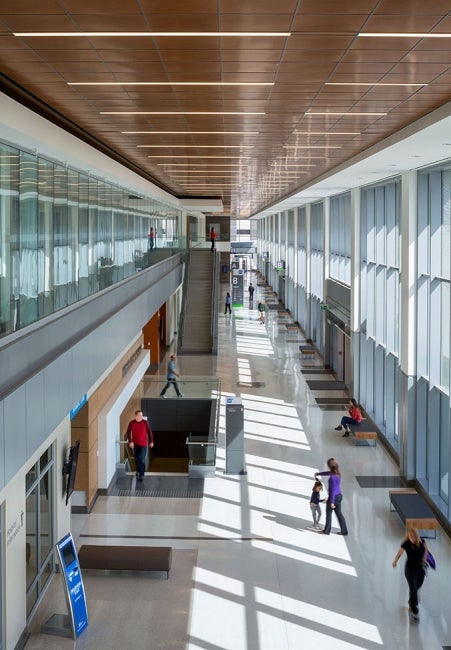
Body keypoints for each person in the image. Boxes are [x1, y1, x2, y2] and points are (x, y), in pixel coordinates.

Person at [392, 527, 428, 620]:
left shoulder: (422, 542)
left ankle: (410, 602)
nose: (412, 538)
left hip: (420, 568)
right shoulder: (406, 543)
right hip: (410, 569)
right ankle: (415, 610)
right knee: (413, 587)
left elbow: (426, 551)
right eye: (410, 536)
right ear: (408, 536)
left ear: (417, 536)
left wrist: (424, 558)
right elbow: (399, 553)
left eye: (414, 536)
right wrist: (395, 561)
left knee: (417, 586)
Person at [315, 458, 348, 535]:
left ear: (329, 466)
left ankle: (326, 531)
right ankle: (344, 531)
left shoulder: (332, 478)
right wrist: (319, 474)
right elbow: (328, 473)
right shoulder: (337, 473)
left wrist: (332, 502)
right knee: (339, 513)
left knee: (328, 514)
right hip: (339, 496)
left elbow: (332, 491)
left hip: (334, 497)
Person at [126, 409, 154, 481]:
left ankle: (142, 474)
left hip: (143, 444)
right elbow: (128, 433)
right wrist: (130, 442)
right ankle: (138, 470)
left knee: (141, 458)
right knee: (137, 458)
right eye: (139, 415)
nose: (141, 416)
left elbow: (149, 432)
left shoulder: (145, 423)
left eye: (141, 415)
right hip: (135, 444)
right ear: (136, 416)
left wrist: (151, 441)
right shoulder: (132, 423)